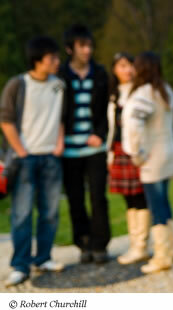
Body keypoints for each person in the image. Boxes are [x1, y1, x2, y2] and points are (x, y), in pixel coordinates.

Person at [0, 36, 65, 287]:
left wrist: (59, 142)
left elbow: (61, 116)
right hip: (24, 158)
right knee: (22, 213)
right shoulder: (17, 85)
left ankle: (43, 258)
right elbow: (6, 121)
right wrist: (21, 151)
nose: (57, 62)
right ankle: (20, 265)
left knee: (50, 212)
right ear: (38, 60)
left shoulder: (59, 85)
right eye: (52, 58)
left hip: (51, 156)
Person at [59, 24, 110, 264]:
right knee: (75, 197)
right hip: (68, 150)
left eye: (89, 45)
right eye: (82, 46)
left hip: (95, 147)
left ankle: (100, 244)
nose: (87, 50)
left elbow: (106, 111)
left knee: (98, 197)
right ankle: (84, 243)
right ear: (70, 49)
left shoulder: (100, 73)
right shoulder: (59, 75)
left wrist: (100, 133)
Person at [126, 52, 173, 273]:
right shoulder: (165, 90)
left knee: (156, 206)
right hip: (168, 153)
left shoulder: (143, 94)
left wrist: (137, 154)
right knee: (163, 203)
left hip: (152, 158)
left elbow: (133, 127)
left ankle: (161, 257)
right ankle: (168, 250)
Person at [107, 52, 150, 264]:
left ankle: (141, 246)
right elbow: (111, 127)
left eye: (130, 64)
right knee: (128, 198)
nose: (127, 70)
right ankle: (134, 244)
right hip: (118, 149)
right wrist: (109, 153)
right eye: (122, 65)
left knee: (140, 196)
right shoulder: (114, 94)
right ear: (115, 70)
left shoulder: (142, 91)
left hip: (138, 150)